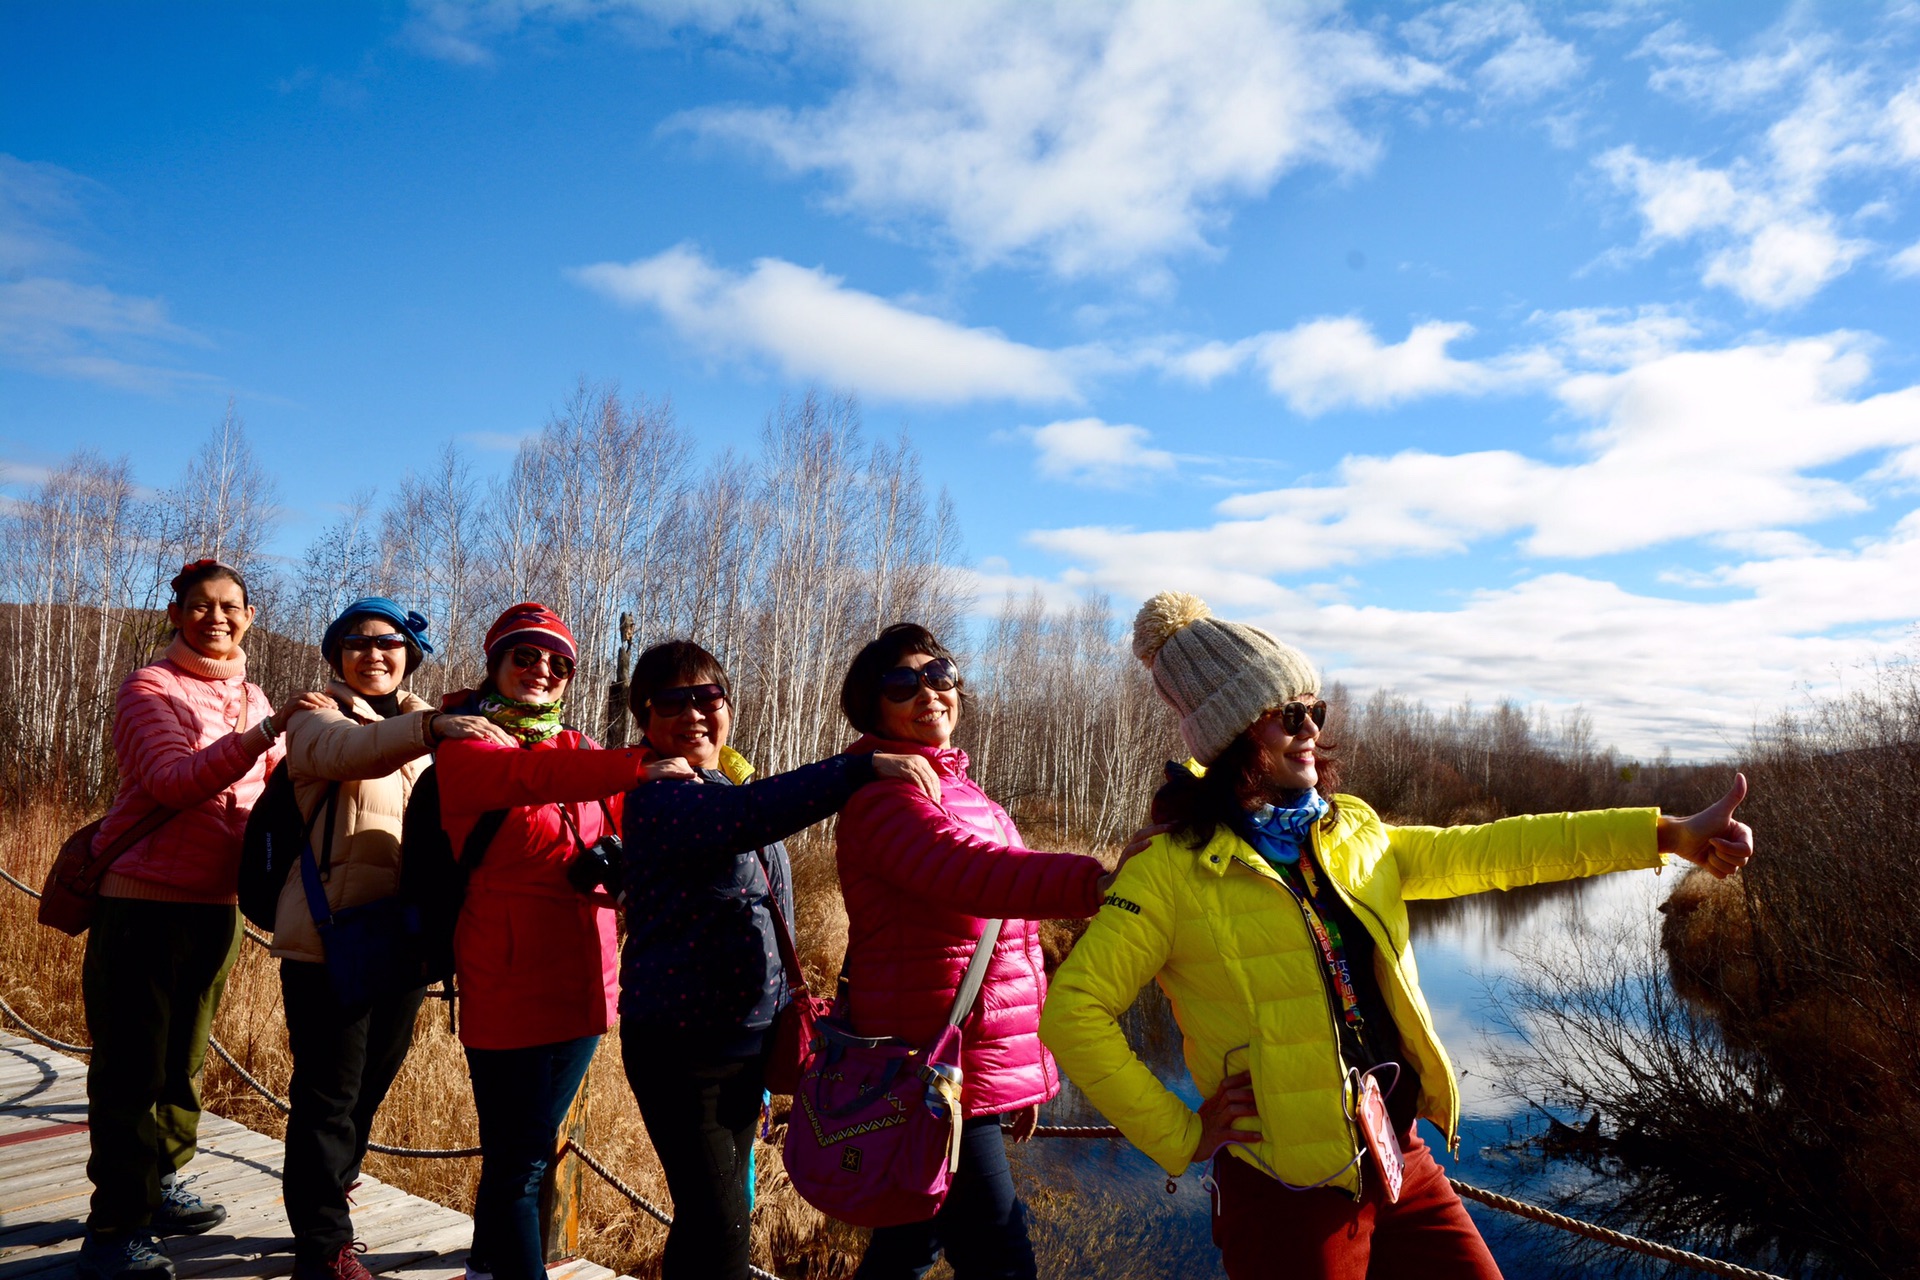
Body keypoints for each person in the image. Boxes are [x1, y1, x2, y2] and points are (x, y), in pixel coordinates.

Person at [1038, 592, 1756, 1280]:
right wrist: (1181, 1133)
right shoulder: (1170, 871)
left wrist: (1664, 835)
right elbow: (1073, 1012)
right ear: (1234, 733)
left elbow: (1493, 853)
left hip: (1397, 1154)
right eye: (1290, 714)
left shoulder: (1351, 832)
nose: (1311, 727)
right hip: (1290, 1192)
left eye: (1313, 709)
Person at [616, 639, 945, 1280]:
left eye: (707, 697)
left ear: (728, 707)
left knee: (711, 1216)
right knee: (721, 1225)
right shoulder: (657, 797)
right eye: (671, 703)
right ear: (645, 721)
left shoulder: (721, 784)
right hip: (683, 1052)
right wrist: (859, 768)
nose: (693, 715)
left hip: (748, 1048)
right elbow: (747, 818)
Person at [834, 623, 1123, 1280]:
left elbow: (1008, 949)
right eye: (904, 684)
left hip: (965, 1066)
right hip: (928, 1072)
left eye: (940, 676)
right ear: (873, 706)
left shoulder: (964, 793)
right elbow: (971, 872)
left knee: (912, 1245)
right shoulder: (883, 800)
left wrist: (1024, 1071)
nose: (929, 693)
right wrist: (1094, 881)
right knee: (999, 1255)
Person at [77, 559, 332, 1280]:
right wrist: (266, 733)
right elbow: (170, 780)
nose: (215, 617)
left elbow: (282, 792)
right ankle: (114, 1228)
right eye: (198, 605)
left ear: (249, 617)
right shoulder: (148, 687)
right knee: (131, 1069)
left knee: (184, 1062)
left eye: (229, 606)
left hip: (216, 909)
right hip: (141, 904)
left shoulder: (253, 695)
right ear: (175, 615)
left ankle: (161, 1184)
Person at [433, 603, 693, 1280]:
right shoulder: (466, 745)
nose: (541, 670)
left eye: (557, 662)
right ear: (495, 663)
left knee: (525, 1149)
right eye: (525, 656)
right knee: (521, 1159)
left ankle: (488, 1265)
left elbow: (629, 833)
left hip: (586, 983)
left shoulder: (580, 750)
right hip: (507, 981)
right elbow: (529, 779)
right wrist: (635, 765)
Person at [270, 598, 514, 1280]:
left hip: (403, 942)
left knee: (370, 1086)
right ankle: (322, 1247)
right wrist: (433, 729)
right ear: (335, 654)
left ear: (411, 654)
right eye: (357, 642)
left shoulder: (431, 726)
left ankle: (329, 1197)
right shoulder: (317, 717)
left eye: (390, 642)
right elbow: (352, 754)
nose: (374, 653)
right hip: (327, 938)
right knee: (328, 1094)